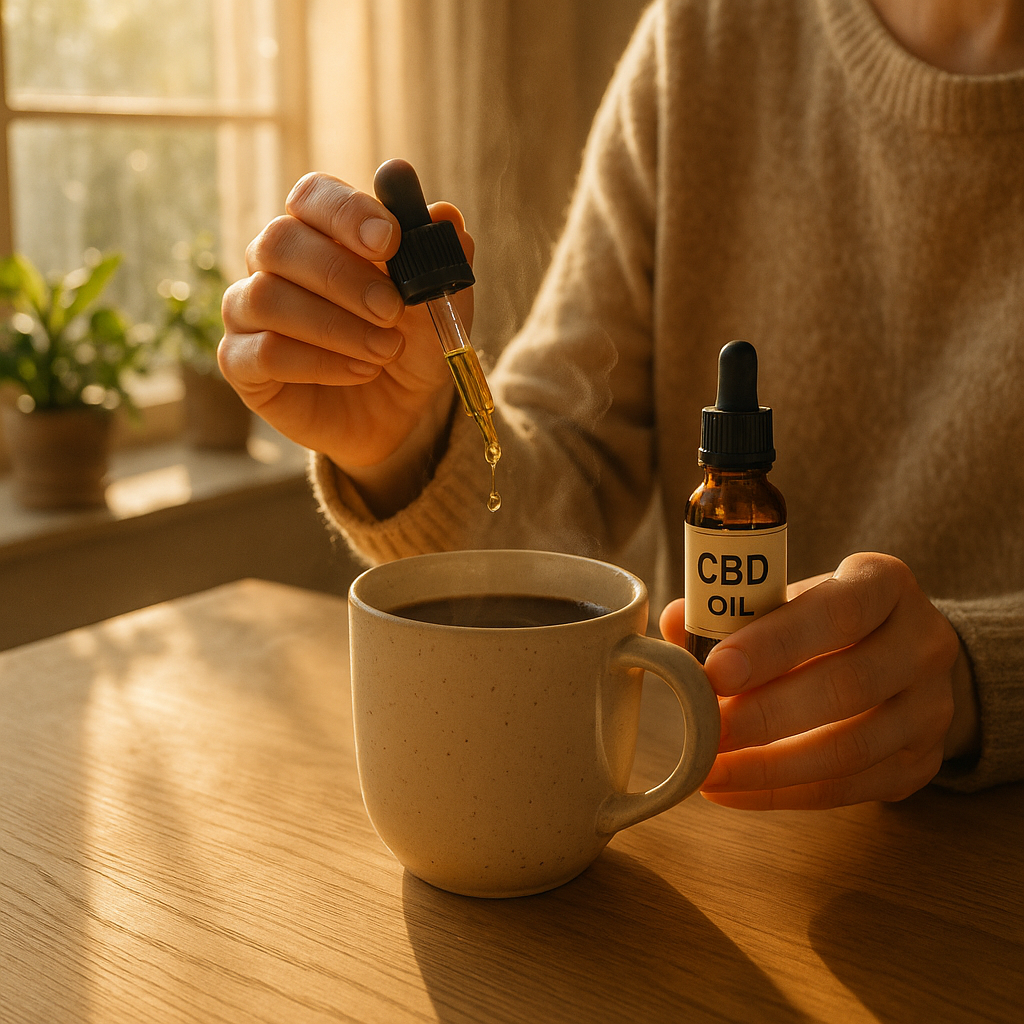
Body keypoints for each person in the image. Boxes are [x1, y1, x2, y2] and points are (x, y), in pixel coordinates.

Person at [219, 0, 1024, 809]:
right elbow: (565, 468)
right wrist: (412, 445)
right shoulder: (706, 36)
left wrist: (980, 673)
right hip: (701, 800)